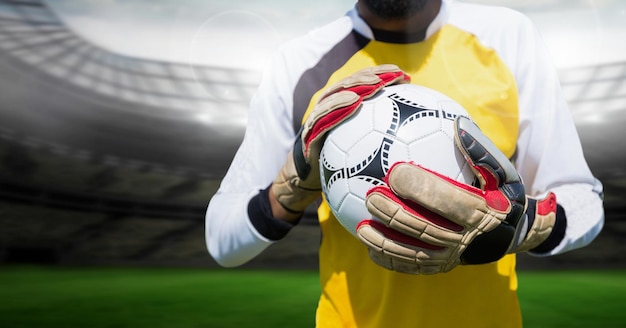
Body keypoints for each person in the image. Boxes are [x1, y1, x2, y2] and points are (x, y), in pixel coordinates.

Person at [205, 0, 605, 327]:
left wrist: (525, 227)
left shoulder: (508, 37)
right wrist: (287, 190)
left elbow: (583, 199)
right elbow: (222, 239)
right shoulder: (297, 63)